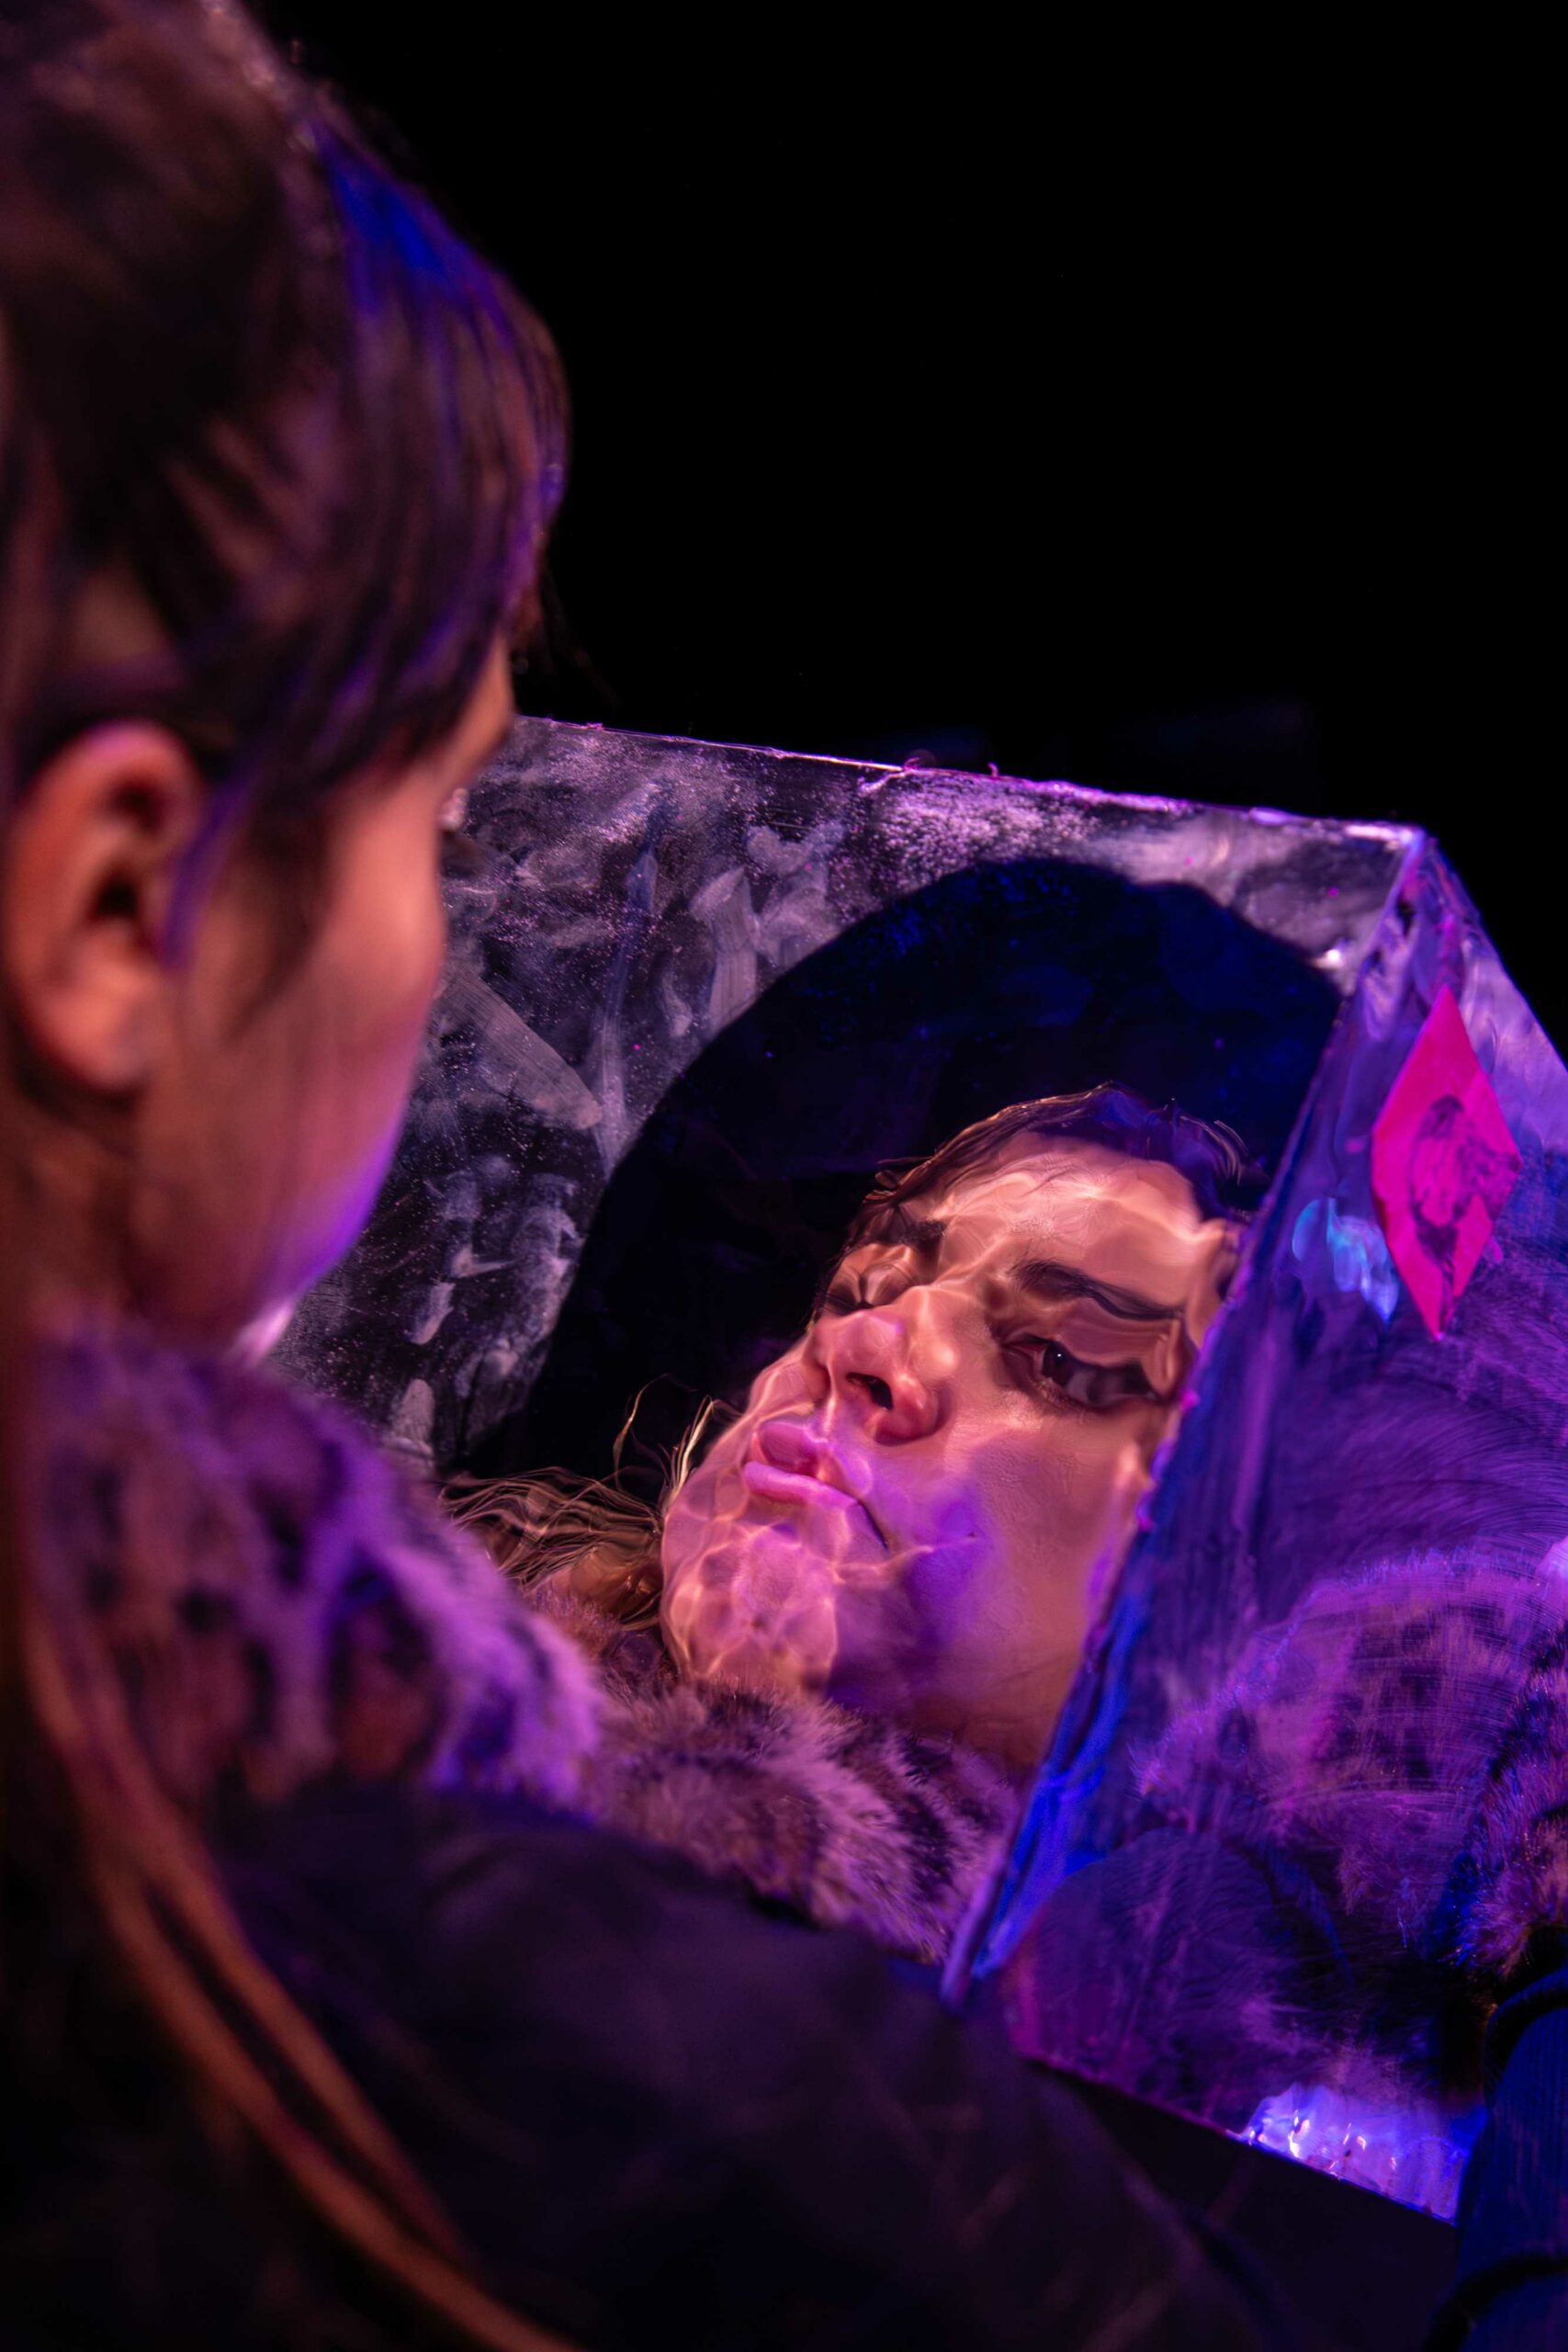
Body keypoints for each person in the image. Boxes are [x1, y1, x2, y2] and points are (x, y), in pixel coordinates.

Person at [0, 6, 1317, 2346]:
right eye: (435, 810)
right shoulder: (549, 2019)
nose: (863, 1335)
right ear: (116, 911)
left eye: (1061, 1350)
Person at [458, 1085, 1250, 1960]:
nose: (857, 1344)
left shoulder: (1111, 2012)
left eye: (1060, 1358)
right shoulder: (434, 1629)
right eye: (858, 1291)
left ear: (1212, 1607)